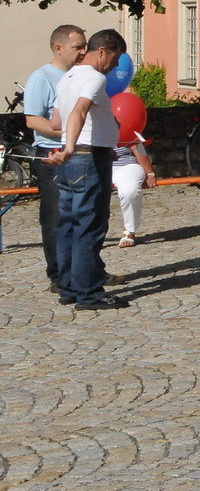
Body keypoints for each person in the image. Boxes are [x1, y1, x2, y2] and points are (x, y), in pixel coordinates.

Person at [42, 28, 129, 310]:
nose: (116, 65)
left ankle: (68, 287)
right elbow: (79, 111)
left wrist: (97, 133)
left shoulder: (67, 77)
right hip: (88, 158)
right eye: (115, 58)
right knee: (89, 226)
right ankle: (89, 293)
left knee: (68, 223)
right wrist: (70, 147)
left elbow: (57, 120)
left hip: (75, 159)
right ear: (103, 50)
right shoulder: (93, 77)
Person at [22, 24, 84, 292]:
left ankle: (88, 270)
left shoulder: (83, 75)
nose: (83, 52)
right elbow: (33, 120)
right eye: (77, 47)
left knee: (85, 215)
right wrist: (66, 131)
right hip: (52, 154)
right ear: (59, 48)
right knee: (56, 217)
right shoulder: (42, 78)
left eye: (84, 46)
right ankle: (59, 276)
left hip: (81, 152)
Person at [110, 131, 157, 248]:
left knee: (129, 191)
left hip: (126, 165)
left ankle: (129, 230)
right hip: (101, 165)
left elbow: (138, 149)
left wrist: (149, 173)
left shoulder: (128, 126)